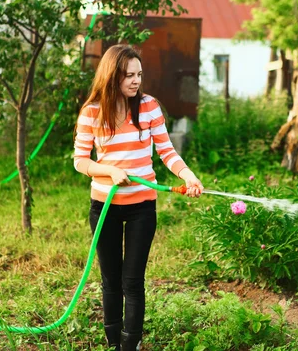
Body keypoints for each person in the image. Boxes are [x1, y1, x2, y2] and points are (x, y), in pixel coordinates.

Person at [73, 44, 203, 351]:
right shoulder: (91, 112)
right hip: (104, 207)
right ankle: (112, 342)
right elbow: (80, 161)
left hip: (142, 208)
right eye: (128, 75)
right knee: (111, 281)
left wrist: (188, 175)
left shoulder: (149, 107)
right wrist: (107, 170)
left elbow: (167, 151)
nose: (135, 81)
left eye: (139, 74)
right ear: (111, 76)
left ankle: (129, 346)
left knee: (132, 281)